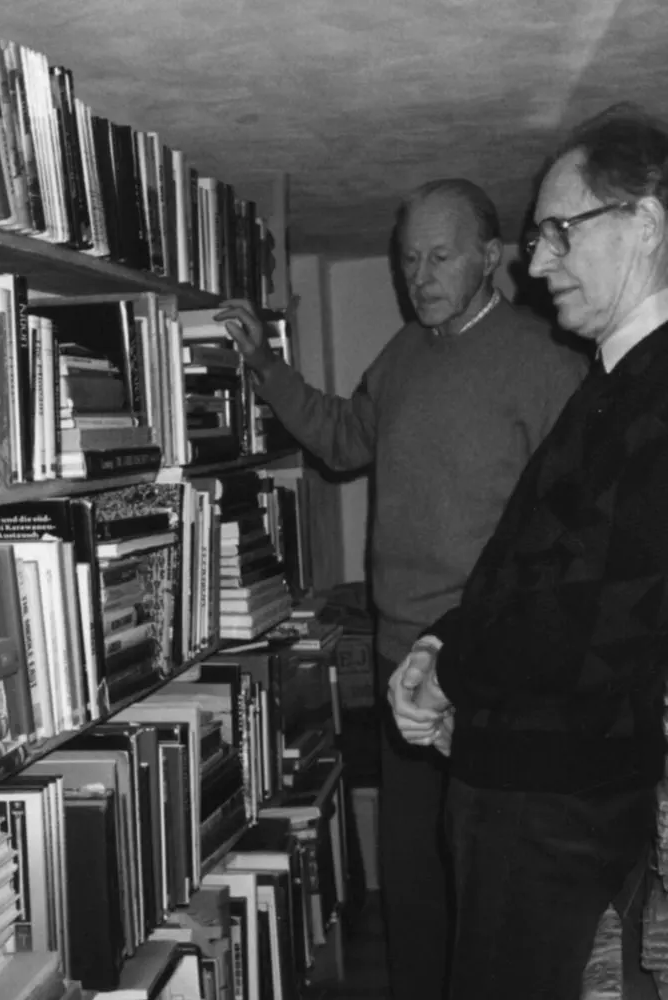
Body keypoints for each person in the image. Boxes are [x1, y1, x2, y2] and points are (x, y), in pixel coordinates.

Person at [215, 179, 587, 1000]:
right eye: (408, 258)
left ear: (490, 258)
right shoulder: (404, 354)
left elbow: (577, 525)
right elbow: (343, 439)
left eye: (439, 256)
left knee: (488, 885)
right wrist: (265, 368)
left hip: (489, 671)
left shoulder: (547, 360)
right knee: (414, 880)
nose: (418, 276)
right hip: (396, 661)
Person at [389, 102, 668, 1000]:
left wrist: (452, 666)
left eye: (559, 231)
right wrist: (439, 648)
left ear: (648, 224)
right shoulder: (610, 383)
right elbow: (525, 567)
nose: (537, 262)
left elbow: (591, 618)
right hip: (523, 790)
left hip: (557, 808)